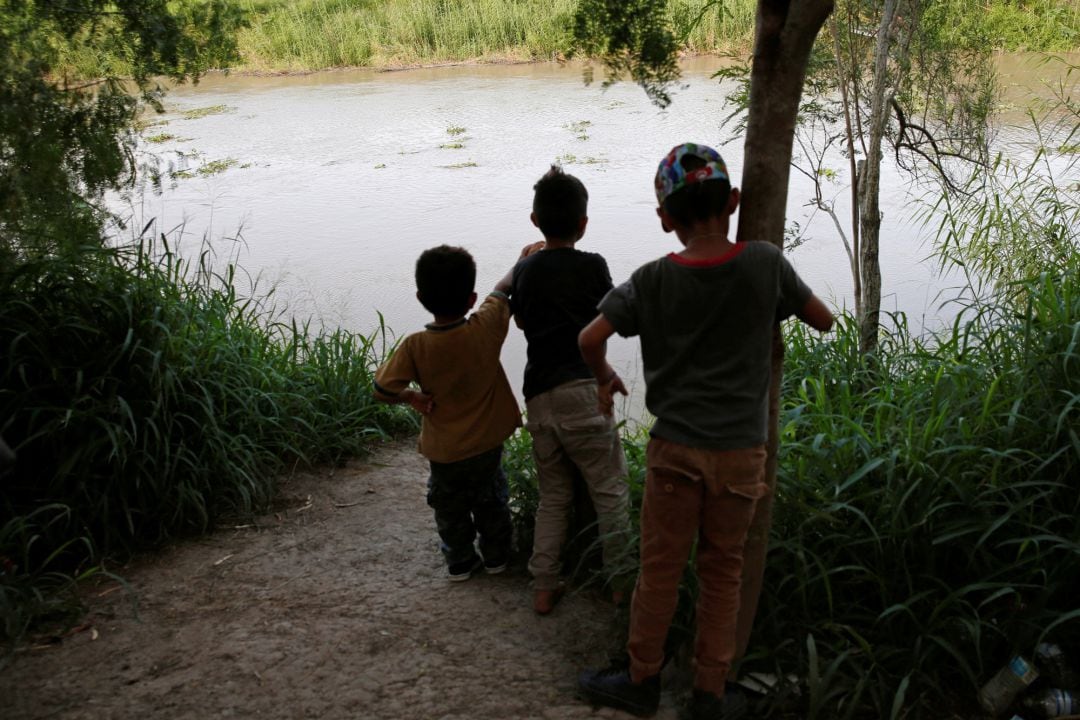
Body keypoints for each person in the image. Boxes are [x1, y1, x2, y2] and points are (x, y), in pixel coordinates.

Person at [575, 143, 834, 719]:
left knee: (660, 571)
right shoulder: (765, 263)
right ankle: (710, 694)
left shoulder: (651, 280)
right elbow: (825, 318)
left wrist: (604, 378)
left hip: (675, 454)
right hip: (742, 455)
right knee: (723, 572)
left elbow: (590, 339)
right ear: (734, 202)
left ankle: (641, 679)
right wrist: (765, 306)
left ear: (666, 219)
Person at [510, 165, 631, 615]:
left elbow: (520, 320)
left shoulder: (524, 270)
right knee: (610, 490)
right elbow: (610, 316)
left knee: (553, 496)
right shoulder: (593, 265)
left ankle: (544, 585)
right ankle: (621, 583)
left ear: (534, 221)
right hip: (583, 389)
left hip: (539, 394)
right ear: (584, 223)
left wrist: (526, 265)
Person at [373, 245, 523, 582]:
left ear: (419, 297)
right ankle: (497, 556)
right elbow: (502, 292)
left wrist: (411, 395)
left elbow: (382, 389)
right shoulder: (484, 328)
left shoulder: (415, 346)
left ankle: (460, 561)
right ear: (471, 299)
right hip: (486, 444)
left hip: (444, 451)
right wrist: (521, 261)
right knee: (492, 500)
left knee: (449, 505)